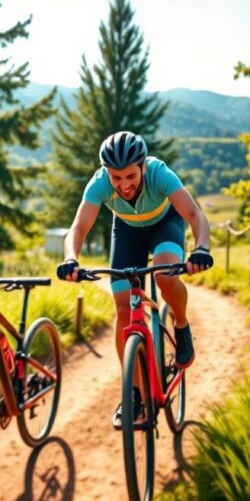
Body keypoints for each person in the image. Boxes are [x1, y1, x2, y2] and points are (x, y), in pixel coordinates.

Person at [56, 131, 213, 428]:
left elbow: (193, 213)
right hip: (127, 231)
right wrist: (70, 258)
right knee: (123, 308)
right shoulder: (99, 183)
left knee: (166, 277)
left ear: (142, 166)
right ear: (107, 173)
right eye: (116, 178)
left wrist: (201, 248)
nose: (124, 185)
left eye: (130, 176)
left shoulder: (159, 173)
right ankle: (134, 394)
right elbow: (78, 228)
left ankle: (180, 323)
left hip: (164, 225)